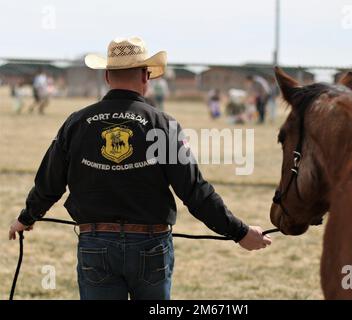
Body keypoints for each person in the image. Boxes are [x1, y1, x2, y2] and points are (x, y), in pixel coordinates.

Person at [9, 36, 272, 300]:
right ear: (146, 76)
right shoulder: (163, 124)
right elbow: (194, 191)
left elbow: (49, 183)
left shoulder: (77, 122)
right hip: (150, 245)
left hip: (96, 245)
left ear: (107, 76)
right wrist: (239, 232)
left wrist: (27, 217)